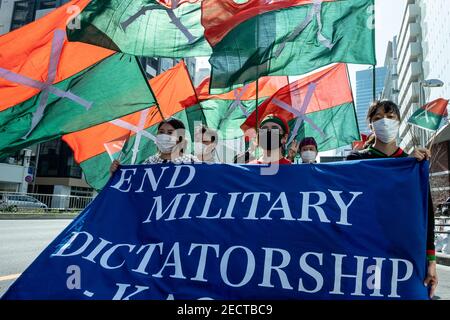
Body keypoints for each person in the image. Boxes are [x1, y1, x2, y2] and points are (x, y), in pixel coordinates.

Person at [346, 100, 438, 298]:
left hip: (402, 254)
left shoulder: (413, 165)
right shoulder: (355, 161)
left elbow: (426, 213)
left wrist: (431, 261)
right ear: (370, 125)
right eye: (377, 118)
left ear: (399, 122)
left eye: (390, 117)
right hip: (363, 250)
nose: (384, 122)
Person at [110, 118, 199, 174]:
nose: (164, 135)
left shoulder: (192, 161)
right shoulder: (149, 162)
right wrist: (116, 173)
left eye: (170, 133)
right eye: (161, 132)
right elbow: (131, 188)